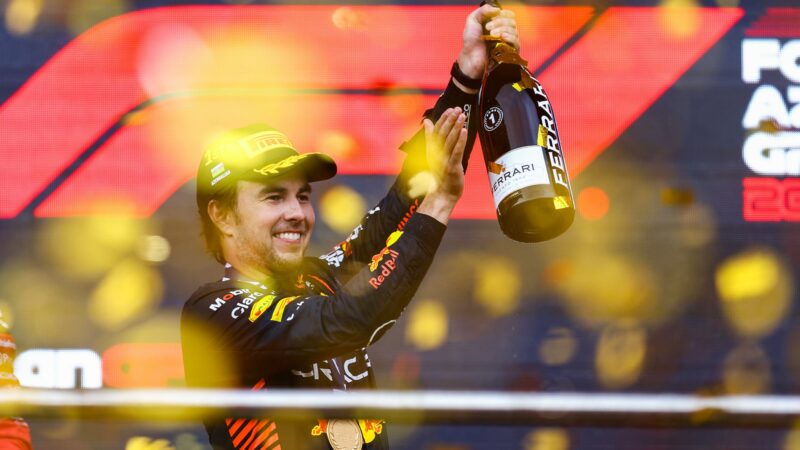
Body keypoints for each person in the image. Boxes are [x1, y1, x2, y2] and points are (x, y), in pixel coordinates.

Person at [181, 5, 520, 449]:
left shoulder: (316, 278)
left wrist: (468, 75)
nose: (297, 213)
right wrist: (438, 207)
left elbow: (401, 203)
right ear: (221, 216)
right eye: (272, 197)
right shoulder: (215, 314)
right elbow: (353, 319)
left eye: (302, 195)